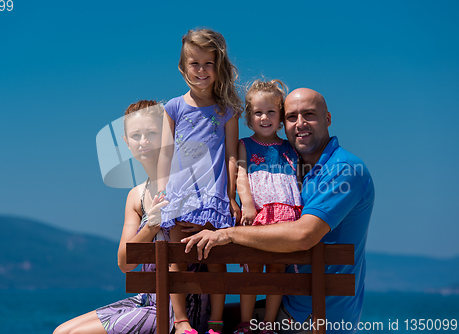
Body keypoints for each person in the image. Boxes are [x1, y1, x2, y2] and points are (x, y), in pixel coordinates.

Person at [183, 88, 375, 334]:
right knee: (206, 318)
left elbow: (304, 234)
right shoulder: (298, 167)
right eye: (292, 117)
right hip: (293, 300)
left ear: (327, 119)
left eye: (309, 115)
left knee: (211, 320)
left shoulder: (344, 169)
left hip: (315, 315)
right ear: (284, 124)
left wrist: (228, 234)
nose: (300, 123)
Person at [53, 100, 210, 334]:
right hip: (147, 301)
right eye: (136, 135)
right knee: (60, 331)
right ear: (126, 143)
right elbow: (125, 263)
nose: (143, 142)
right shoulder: (136, 196)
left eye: (151, 133)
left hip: (181, 310)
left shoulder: (184, 185)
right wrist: (150, 227)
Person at [156, 28, 242, 334]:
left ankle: (216, 321)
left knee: (216, 259)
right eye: (195, 63)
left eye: (209, 63)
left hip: (212, 197)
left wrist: (230, 196)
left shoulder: (226, 110)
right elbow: (165, 155)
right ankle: (181, 321)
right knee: (177, 258)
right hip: (178, 196)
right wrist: (161, 191)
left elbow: (232, 155)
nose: (201, 70)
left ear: (218, 67)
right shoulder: (173, 108)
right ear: (183, 68)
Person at [234, 80, 303, 334]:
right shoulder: (245, 145)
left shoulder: (289, 147)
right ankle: (246, 322)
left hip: (286, 216)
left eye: (271, 112)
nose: (265, 117)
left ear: (281, 116)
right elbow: (241, 176)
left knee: (277, 271)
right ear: (249, 118)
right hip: (259, 213)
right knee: (251, 269)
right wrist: (248, 205)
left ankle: (268, 324)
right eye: (258, 112)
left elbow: (297, 179)